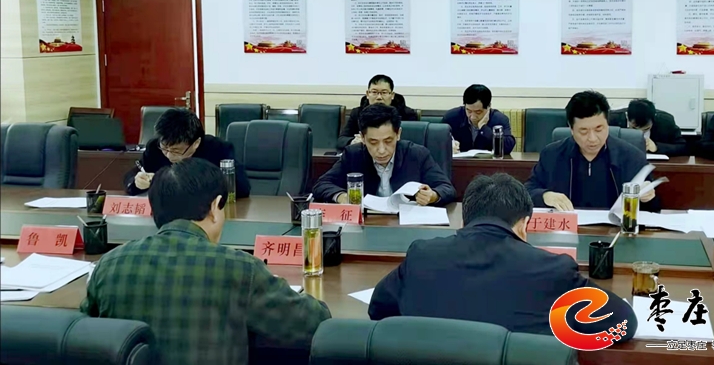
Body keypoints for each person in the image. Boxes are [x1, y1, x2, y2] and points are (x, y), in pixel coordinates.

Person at [82, 158, 330, 365]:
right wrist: (271, 285)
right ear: (214, 208)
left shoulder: (109, 264)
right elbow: (314, 323)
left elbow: (83, 333)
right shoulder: (240, 269)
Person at [368, 173, 638, 340]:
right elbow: (624, 323)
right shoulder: (552, 269)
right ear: (524, 225)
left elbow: (378, 309)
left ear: (464, 220)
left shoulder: (422, 256)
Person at [525, 91, 660, 211]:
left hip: (615, 229)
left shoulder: (632, 157)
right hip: (567, 228)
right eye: (583, 131)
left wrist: (648, 198)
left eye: (599, 129)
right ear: (571, 128)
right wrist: (544, 195)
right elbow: (527, 191)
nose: (592, 138)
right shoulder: (552, 155)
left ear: (608, 124)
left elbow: (654, 208)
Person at [314, 103, 456, 206]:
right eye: (373, 142)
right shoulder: (353, 155)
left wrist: (432, 195)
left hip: (406, 225)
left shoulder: (417, 154)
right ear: (362, 138)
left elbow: (447, 188)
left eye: (388, 141)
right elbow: (322, 184)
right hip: (367, 226)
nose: (381, 150)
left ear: (398, 134)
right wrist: (342, 197)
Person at [123, 108, 250, 198]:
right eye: (165, 148)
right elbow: (132, 176)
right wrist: (137, 181)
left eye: (176, 151)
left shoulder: (217, 148)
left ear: (196, 143)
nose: (169, 155)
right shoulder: (154, 148)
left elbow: (242, 187)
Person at [336, 74, 418, 149]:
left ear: (392, 95)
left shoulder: (407, 114)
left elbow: (413, 143)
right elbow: (341, 140)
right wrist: (354, 141)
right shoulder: (357, 113)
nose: (379, 97)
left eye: (384, 92)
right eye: (374, 92)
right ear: (368, 94)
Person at [442, 84, 515, 154]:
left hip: (487, 162)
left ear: (488, 106)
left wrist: (484, 128)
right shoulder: (452, 117)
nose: (473, 117)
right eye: (469, 111)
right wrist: (448, 146)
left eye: (478, 112)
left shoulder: (499, 119)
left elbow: (507, 147)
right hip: (459, 162)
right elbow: (438, 141)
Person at [609, 99, 688, 156]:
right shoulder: (612, 120)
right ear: (627, 117)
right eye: (634, 128)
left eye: (646, 129)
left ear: (654, 120)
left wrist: (657, 147)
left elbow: (683, 147)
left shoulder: (665, 121)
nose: (640, 133)